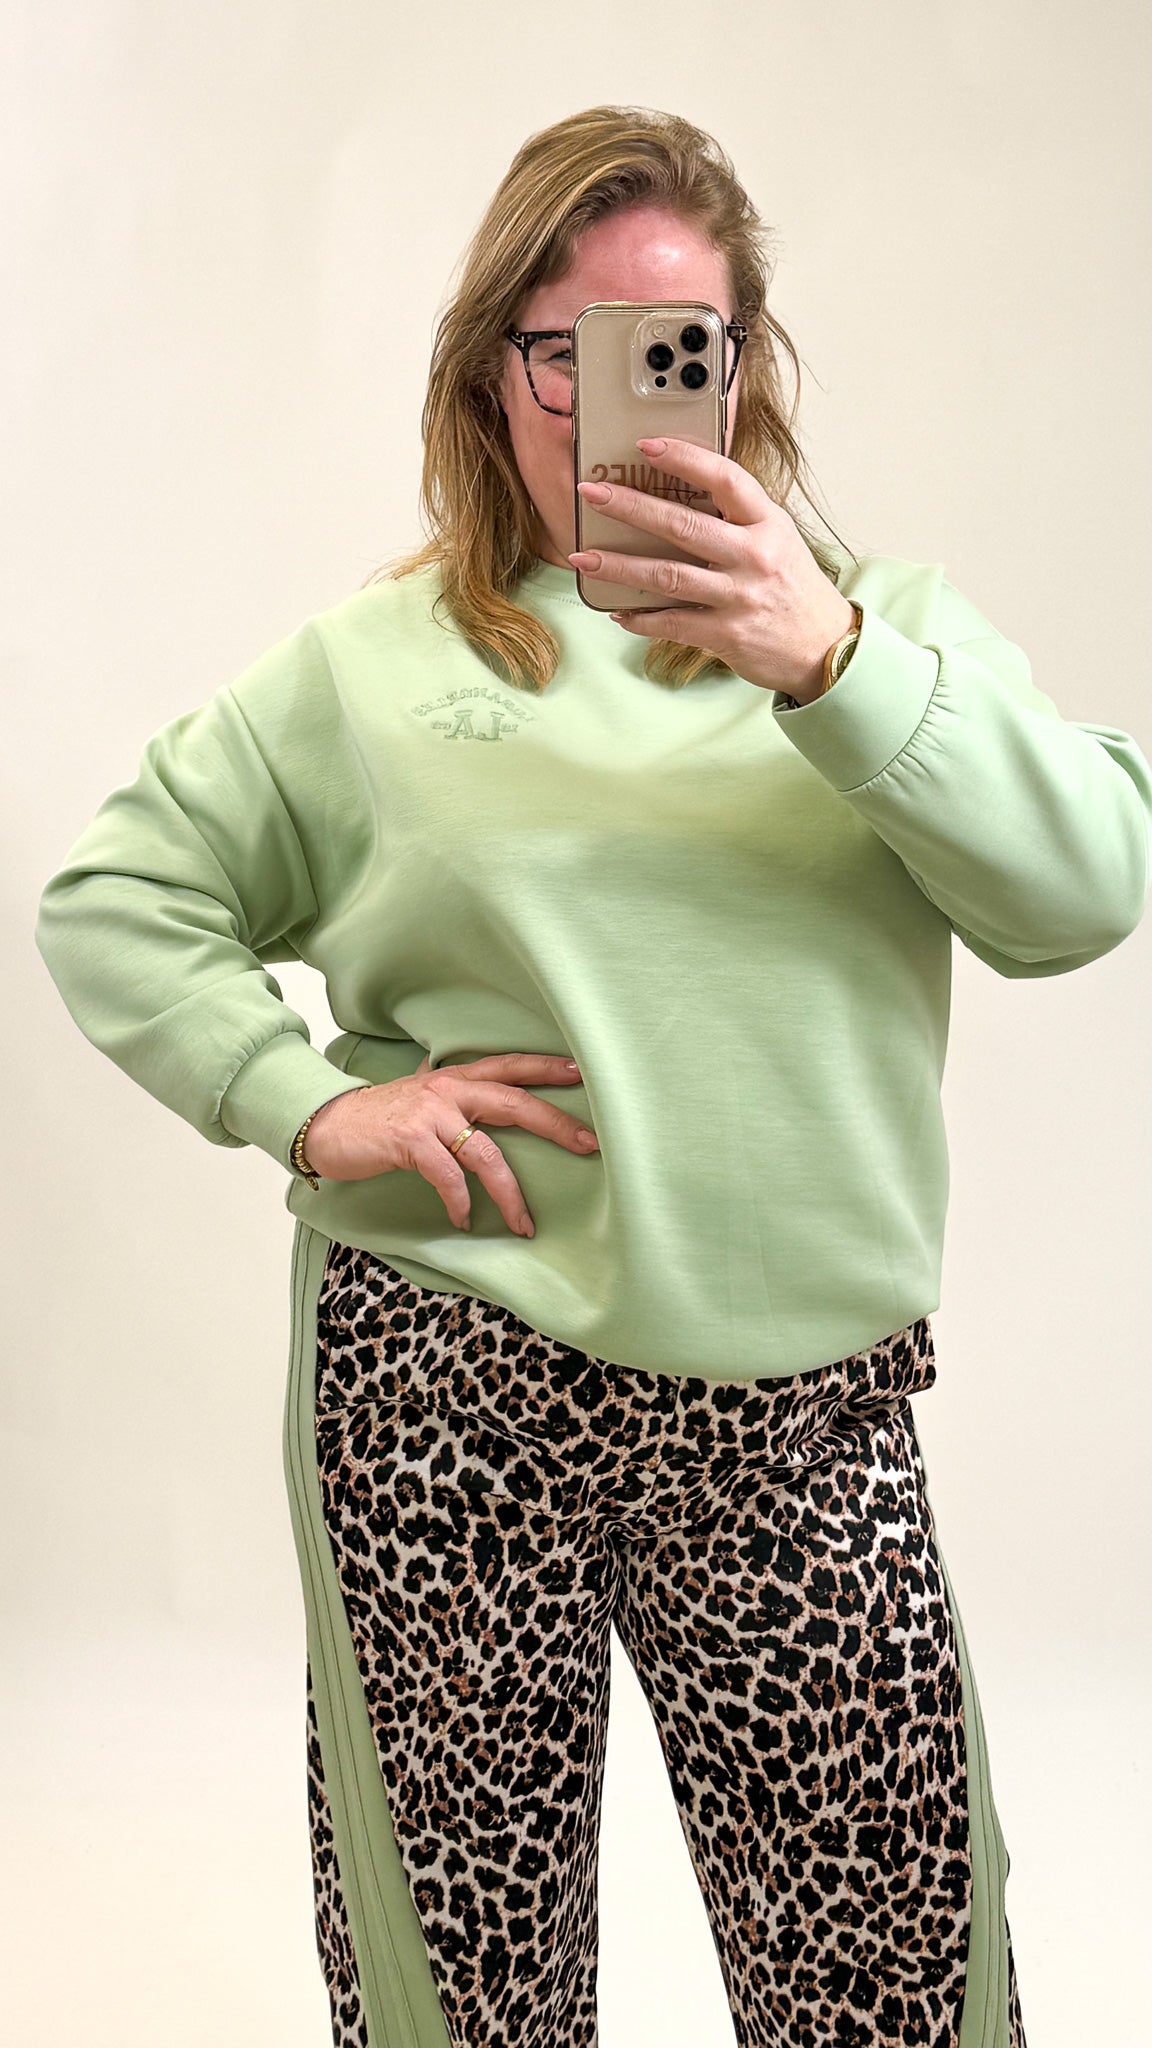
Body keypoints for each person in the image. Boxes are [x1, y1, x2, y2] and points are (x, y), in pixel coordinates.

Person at [34, 103, 1151, 2048]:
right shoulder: (374, 667)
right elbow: (118, 894)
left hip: (797, 1413)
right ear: (493, 371)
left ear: (743, 367)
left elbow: (1086, 891)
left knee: (889, 1985)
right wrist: (309, 1101)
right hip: (447, 1375)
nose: (614, 401)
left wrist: (827, 659)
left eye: (676, 349)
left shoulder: (886, 634)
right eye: (569, 351)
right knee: (463, 1992)